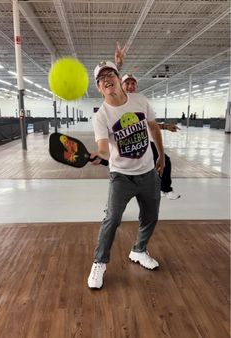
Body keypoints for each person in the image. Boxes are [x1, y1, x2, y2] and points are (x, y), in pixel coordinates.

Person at [88, 60, 165, 289]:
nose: (106, 79)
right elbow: (103, 146)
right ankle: (99, 263)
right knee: (112, 219)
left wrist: (161, 155)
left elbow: (154, 128)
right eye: (101, 78)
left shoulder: (140, 101)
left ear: (119, 80)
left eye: (110, 74)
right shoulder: (101, 116)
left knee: (151, 216)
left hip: (148, 173)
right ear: (99, 88)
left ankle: (139, 251)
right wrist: (99, 155)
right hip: (121, 175)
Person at [121, 73, 181, 200]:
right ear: (121, 85)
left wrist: (165, 127)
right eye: (127, 83)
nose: (130, 86)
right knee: (121, 175)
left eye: (133, 84)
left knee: (165, 160)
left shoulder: (142, 101)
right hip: (125, 144)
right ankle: (113, 204)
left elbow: (151, 124)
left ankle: (165, 189)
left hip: (145, 142)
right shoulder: (117, 102)